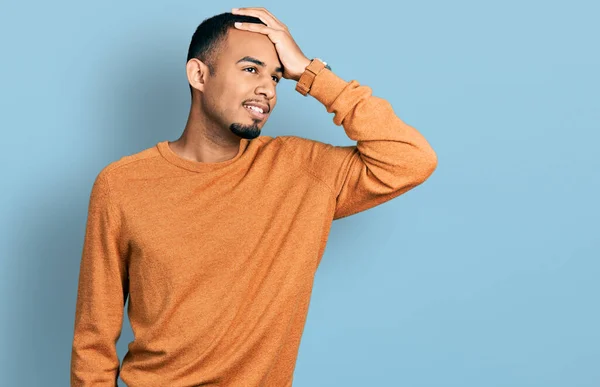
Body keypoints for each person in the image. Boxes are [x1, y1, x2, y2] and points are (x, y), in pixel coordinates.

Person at [70, 7, 438, 387]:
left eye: (277, 78)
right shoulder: (122, 184)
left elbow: (411, 159)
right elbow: (93, 339)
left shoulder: (302, 170)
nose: (268, 90)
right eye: (250, 69)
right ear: (199, 74)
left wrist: (310, 73)